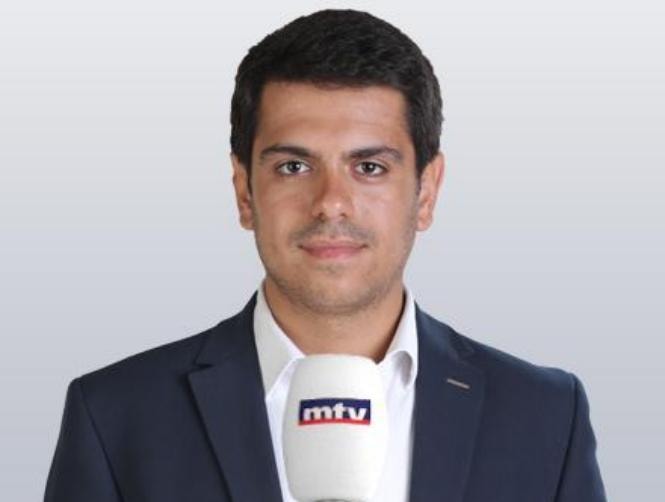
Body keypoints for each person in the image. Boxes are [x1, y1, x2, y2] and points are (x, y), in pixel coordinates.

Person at [44, 9, 607, 502]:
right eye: (293, 166)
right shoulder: (117, 417)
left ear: (426, 192)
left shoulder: (545, 417)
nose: (331, 202)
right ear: (244, 192)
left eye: (370, 167)